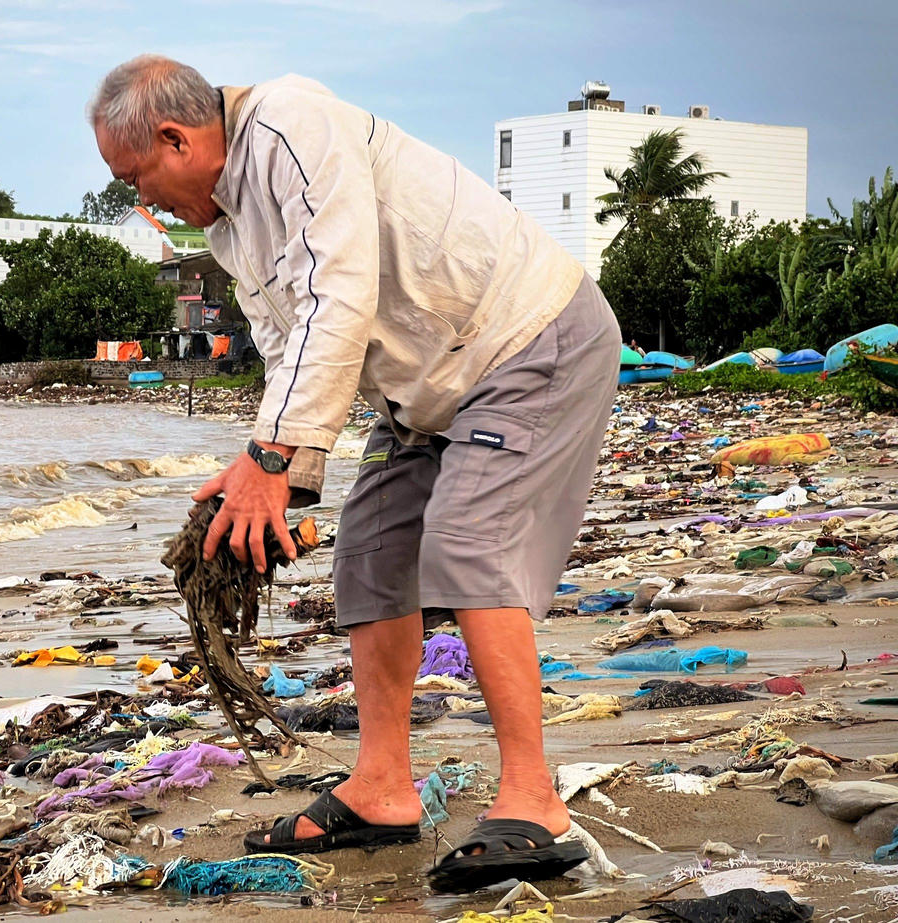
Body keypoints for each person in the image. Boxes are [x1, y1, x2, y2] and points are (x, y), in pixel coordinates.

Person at [90, 56, 620, 892]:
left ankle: (535, 801)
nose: (140, 199)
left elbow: (341, 292)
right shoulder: (230, 225)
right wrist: (280, 483)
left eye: (137, 176)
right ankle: (381, 787)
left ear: (175, 137)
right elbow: (287, 344)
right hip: (423, 386)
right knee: (369, 556)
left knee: (467, 540)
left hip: (528, 338)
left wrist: (272, 458)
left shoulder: (292, 125)